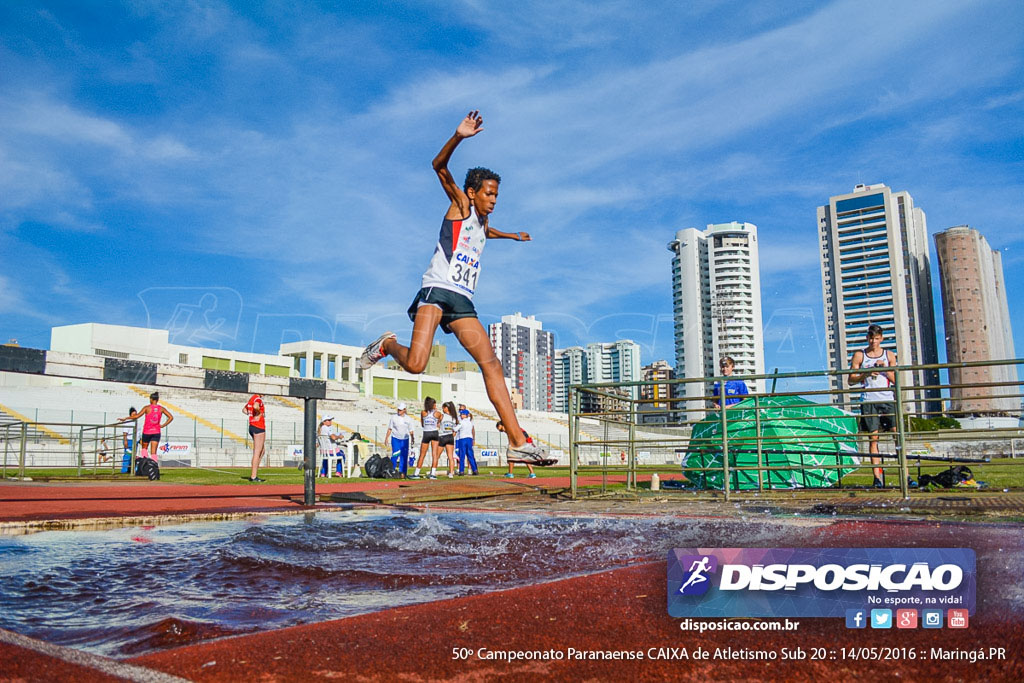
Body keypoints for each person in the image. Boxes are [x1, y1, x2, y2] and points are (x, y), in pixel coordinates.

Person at [358, 110, 547, 467]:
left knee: (491, 364)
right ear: (472, 193)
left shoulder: (482, 220)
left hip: (462, 301)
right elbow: (438, 166)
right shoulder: (460, 205)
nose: (494, 200)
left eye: (497, 195)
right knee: (416, 364)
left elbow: (486, 231)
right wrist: (459, 136)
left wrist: (511, 235)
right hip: (437, 290)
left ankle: (518, 440)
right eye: (489, 194)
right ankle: (385, 344)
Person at [849, 324, 898, 488]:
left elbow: (896, 380)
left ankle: (904, 475)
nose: (874, 342)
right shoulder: (859, 355)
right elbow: (850, 380)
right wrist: (866, 373)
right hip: (869, 399)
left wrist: (886, 369)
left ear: (881, 338)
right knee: (873, 439)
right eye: (871, 338)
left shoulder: (889, 354)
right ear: (867, 338)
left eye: (877, 339)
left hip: (887, 399)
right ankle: (877, 478)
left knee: (897, 436)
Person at [119, 393, 173, 464]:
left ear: (151, 399)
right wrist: (163, 425)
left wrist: (126, 418)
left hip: (147, 431)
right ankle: (154, 466)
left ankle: (145, 465)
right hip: (156, 431)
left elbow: (136, 416)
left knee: (144, 448)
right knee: (154, 452)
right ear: (157, 400)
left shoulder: (147, 408)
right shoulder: (161, 409)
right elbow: (171, 417)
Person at [410, 397, 442, 480]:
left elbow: (422, 424)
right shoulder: (438, 413)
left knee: (422, 454)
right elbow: (439, 421)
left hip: (426, 433)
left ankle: (416, 473)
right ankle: (433, 474)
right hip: (435, 432)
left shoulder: (423, 412)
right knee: (435, 454)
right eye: (434, 404)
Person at [384, 403, 416, 478]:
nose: (399, 411)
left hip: (405, 439)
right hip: (395, 438)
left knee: (404, 456)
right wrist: (386, 438)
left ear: (404, 410)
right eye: (398, 409)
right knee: (395, 454)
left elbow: (411, 430)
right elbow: (390, 428)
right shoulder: (393, 417)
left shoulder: (408, 419)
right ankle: (392, 470)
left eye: (401, 410)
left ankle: (403, 472)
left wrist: (412, 438)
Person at [243, 393, 266, 483]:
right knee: (257, 452)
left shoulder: (251, 399)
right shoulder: (257, 399)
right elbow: (256, 406)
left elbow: (244, 410)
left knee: (262, 451)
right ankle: (253, 476)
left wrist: (251, 415)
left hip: (252, 426)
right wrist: (259, 414)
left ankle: (255, 470)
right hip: (258, 427)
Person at [436, 401, 459, 479]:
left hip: (442, 436)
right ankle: (451, 473)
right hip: (450, 437)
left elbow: (438, 425)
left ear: (446, 408)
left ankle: (433, 471)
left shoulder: (442, 416)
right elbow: (455, 431)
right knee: (450, 456)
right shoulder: (454, 418)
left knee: (437, 455)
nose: (443, 409)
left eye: (443, 407)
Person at [456, 408, 478, 475]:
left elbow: (456, 428)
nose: (461, 416)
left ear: (466, 415)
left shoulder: (461, 422)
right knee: (470, 455)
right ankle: (475, 470)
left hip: (462, 439)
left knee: (462, 455)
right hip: (469, 439)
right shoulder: (470, 423)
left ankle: (461, 471)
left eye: (462, 414)